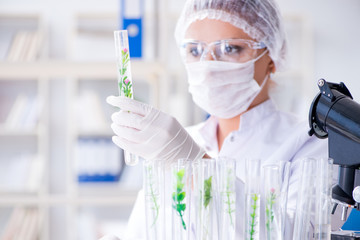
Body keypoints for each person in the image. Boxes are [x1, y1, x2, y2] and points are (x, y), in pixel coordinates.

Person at [106, 0, 328, 239]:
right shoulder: (178, 143)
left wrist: (196, 164)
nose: (208, 65)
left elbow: (298, 235)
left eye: (230, 48)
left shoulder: (312, 143)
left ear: (271, 57)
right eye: (194, 50)